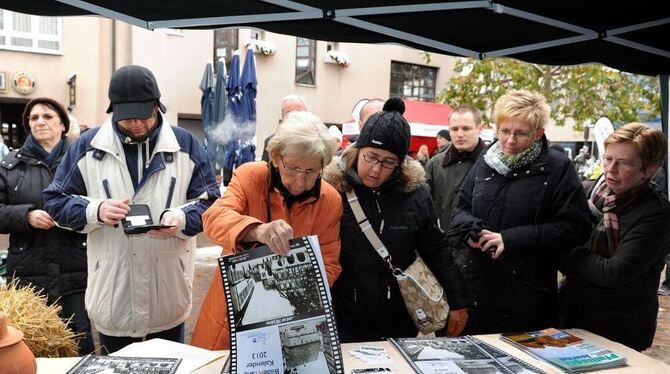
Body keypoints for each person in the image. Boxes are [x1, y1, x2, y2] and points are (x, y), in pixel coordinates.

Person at [43, 65, 220, 354]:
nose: (136, 124)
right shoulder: (87, 146)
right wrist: (95, 211)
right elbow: (55, 201)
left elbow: (211, 203)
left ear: (157, 106)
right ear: (113, 110)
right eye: (127, 118)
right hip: (113, 297)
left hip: (168, 295)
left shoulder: (185, 143)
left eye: (143, 115)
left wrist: (180, 219)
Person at [191, 111, 343, 350]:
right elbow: (213, 218)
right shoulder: (250, 176)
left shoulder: (330, 200)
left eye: (311, 171)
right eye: (293, 168)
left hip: (292, 318)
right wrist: (256, 230)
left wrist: (294, 292)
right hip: (230, 317)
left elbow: (330, 264)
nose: (301, 182)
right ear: (275, 157)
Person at [323, 97, 469, 343]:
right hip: (345, 317)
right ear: (358, 149)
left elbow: (437, 248)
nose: (376, 169)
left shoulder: (415, 194)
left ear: (400, 164)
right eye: (371, 157)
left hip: (399, 318)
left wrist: (458, 301)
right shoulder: (332, 190)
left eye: (388, 162)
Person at [449, 89, 591, 335]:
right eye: (504, 131)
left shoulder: (558, 168)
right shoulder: (485, 161)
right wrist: (469, 230)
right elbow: (460, 208)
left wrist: (511, 239)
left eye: (520, 133)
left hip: (526, 298)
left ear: (538, 133)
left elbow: (575, 228)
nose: (510, 141)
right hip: (478, 292)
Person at [559, 123, 670, 351]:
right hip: (570, 314)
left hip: (620, 327)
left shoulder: (657, 213)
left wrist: (560, 249)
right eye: (608, 159)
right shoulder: (589, 191)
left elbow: (611, 273)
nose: (610, 169)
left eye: (625, 163)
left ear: (650, 169)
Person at [0, 97, 94, 355]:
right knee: (32, 351)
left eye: (48, 116)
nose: (40, 121)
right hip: (29, 273)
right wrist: (26, 216)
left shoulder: (83, 162)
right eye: (33, 118)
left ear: (63, 125)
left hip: (76, 269)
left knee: (79, 345)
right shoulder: (10, 166)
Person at [424, 106, 485, 267]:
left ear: (480, 128)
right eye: (454, 129)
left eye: (466, 128)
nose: (459, 134)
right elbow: (423, 206)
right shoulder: (434, 164)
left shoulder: (493, 164)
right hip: (441, 252)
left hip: (479, 255)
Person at [261, 94, 307, 162]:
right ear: (282, 117)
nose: (294, 116)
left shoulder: (318, 139)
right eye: (289, 113)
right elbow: (266, 169)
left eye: (298, 112)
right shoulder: (271, 142)